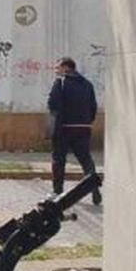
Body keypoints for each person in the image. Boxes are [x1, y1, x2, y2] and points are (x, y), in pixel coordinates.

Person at [48, 57, 101, 204]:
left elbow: (53, 104)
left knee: (59, 160)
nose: (56, 70)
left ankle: (57, 191)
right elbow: (93, 107)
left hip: (64, 128)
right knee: (86, 160)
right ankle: (94, 188)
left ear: (66, 67)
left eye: (58, 67)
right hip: (83, 128)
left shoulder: (61, 82)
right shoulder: (88, 84)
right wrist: (86, 122)